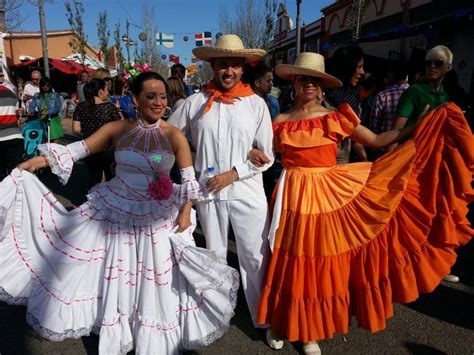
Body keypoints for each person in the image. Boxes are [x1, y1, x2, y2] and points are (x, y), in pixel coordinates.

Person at [0, 71, 239, 355]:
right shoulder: (118, 128)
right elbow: (80, 149)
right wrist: (36, 162)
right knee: (113, 268)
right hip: (116, 205)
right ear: (135, 99)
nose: (159, 102)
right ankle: (116, 324)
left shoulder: (174, 135)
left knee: (151, 277)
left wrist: (186, 212)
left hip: (156, 214)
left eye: (162, 96)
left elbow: (188, 181)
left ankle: (146, 333)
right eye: (150, 96)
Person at [250, 52, 472, 354]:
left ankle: (309, 331)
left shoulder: (336, 117)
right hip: (291, 196)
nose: (309, 85)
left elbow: (379, 140)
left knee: (318, 261)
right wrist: (251, 153)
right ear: (294, 82)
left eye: (315, 79)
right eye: (304, 79)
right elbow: (258, 150)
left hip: (329, 196)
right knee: (288, 261)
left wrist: (420, 126)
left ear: (322, 85)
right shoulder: (279, 121)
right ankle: (281, 321)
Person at [168, 34, 274, 329]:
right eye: (222, 65)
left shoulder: (256, 105)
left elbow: (269, 155)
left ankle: (262, 318)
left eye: (234, 65)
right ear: (212, 65)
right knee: (214, 256)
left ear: (243, 67)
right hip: (208, 194)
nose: (229, 71)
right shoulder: (195, 102)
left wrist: (235, 173)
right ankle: (215, 316)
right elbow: (170, 138)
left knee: (254, 257)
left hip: (247, 193)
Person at [392, 45, 459, 283]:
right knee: (413, 218)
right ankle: (407, 269)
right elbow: (397, 130)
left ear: (448, 68)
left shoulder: (446, 97)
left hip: (437, 165)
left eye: (438, 63)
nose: (431, 66)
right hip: (414, 165)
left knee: (437, 214)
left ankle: (434, 265)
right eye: (428, 62)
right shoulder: (414, 92)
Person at [73, 78, 121, 188]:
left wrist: (88, 131)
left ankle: (92, 201)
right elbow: (119, 128)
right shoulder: (109, 107)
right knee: (111, 177)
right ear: (100, 92)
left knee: (94, 177)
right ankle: (110, 202)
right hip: (108, 148)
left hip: (89, 147)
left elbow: (75, 129)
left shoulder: (80, 107)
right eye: (106, 90)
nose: (108, 93)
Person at [325, 46, 368, 163]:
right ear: (347, 67)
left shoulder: (352, 97)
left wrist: (364, 159)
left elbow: (356, 136)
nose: (362, 72)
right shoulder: (322, 98)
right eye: (359, 67)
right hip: (323, 166)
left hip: (342, 165)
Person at [367, 62, 409, 159]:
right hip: (406, 152)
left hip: (383, 151)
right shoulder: (415, 94)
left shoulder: (383, 96)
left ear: (391, 74)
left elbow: (373, 126)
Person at [0, 72, 23, 180]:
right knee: (15, 176)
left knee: (2, 178)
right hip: (15, 137)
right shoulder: (11, 93)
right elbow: (18, 115)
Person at [28, 77, 63, 143]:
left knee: (55, 141)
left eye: (47, 85)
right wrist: (31, 111)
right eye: (43, 85)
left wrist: (48, 112)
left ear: (50, 85)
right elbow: (32, 105)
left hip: (53, 120)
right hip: (42, 120)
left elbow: (58, 108)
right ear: (40, 85)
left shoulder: (55, 95)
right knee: (45, 140)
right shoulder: (36, 95)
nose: (45, 87)